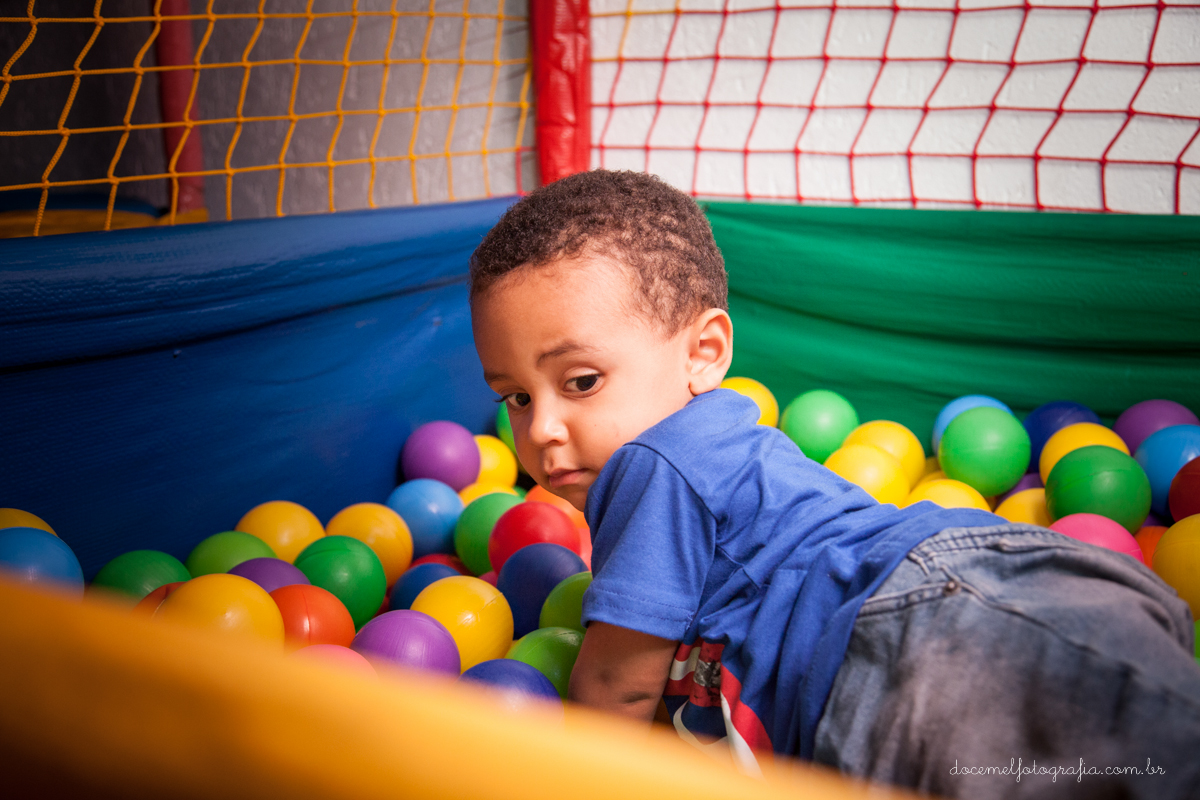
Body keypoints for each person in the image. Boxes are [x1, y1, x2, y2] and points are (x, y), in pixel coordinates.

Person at [467, 169, 1200, 799]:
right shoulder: (732, 435)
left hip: (907, 642)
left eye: (582, 381)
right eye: (517, 398)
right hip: (1013, 568)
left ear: (704, 351)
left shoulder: (653, 463)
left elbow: (616, 686)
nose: (541, 431)